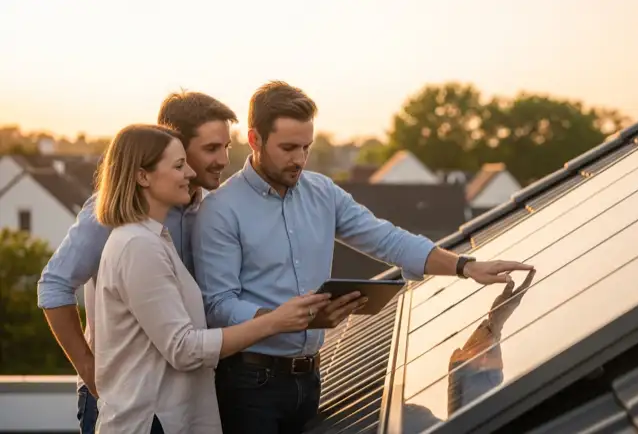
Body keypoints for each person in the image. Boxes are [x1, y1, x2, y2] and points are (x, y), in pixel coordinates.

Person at [192, 81, 535, 433]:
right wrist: (280, 318)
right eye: (288, 147)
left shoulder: (322, 192)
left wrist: (466, 266)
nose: (299, 159)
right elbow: (217, 306)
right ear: (255, 140)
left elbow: (387, 239)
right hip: (250, 386)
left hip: (310, 380)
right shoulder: (220, 210)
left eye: (306, 147)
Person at [91, 123, 332, 433]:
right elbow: (184, 348)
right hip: (152, 421)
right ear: (142, 176)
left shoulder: (151, 239)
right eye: (179, 166)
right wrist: (275, 322)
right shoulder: (139, 246)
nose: (190, 174)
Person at [36, 91, 238, 434]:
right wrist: (89, 369)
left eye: (226, 147)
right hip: (129, 399)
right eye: (210, 149)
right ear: (173, 145)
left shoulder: (212, 210)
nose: (223, 160)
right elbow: (53, 286)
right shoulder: (113, 212)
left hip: (184, 396)